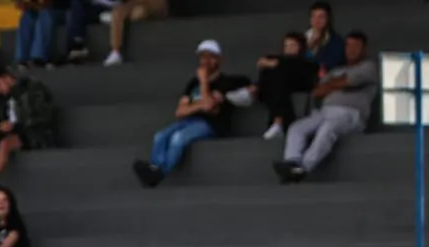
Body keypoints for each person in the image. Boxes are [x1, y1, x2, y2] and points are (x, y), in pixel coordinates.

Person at [132, 40, 249, 188]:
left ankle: (160, 173)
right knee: (160, 136)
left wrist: (203, 82)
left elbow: (208, 107)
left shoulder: (225, 82)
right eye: (202, 57)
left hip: (212, 125)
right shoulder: (192, 83)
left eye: (210, 57)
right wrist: (199, 105)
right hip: (189, 121)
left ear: (219, 59)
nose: (205, 61)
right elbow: (180, 111)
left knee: (177, 138)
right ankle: (154, 170)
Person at [273, 31, 376, 185]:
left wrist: (334, 84)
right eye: (348, 45)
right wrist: (337, 82)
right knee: (297, 127)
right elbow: (317, 91)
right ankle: (292, 162)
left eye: (356, 46)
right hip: (325, 111)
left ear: (364, 49)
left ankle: (303, 167)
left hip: (351, 114)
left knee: (328, 128)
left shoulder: (368, 67)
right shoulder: (336, 71)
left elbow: (348, 82)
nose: (351, 50)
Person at [254, 32, 321, 140]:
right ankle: (278, 122)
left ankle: (255, 91)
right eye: (286, 46)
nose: (289, 49)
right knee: (273, 77)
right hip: (283, 85)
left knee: (279, 74)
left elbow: (297, 67)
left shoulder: (307, 61)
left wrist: (272, 63)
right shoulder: (280, 61)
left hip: (301, 82)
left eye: (292, 45)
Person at [103, 0, 168, 66]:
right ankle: (115, 51)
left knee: (131, 12)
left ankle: (118, 20)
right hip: (137, 7)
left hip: (154, 5)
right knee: (134, 12)